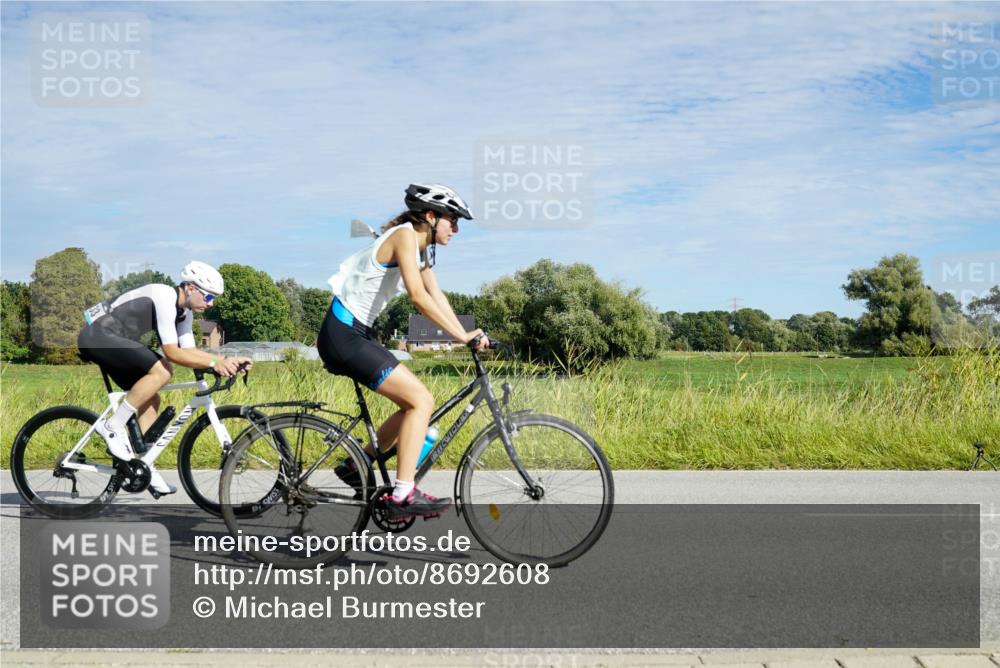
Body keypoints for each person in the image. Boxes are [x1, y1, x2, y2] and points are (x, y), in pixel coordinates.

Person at [320, 183, 489, 520]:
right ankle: (402, 495)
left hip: (355, 334)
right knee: (421, 401)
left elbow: (435, 294)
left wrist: (466, 330)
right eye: (452, 220)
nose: (455, 229)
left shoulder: (420, 249)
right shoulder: (404, 237)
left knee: (411, 405)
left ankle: (357, 465)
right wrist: (461, 336)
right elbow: (417, 297)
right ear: (430, 216)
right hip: (343, 334)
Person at [77, 261, 252, 495]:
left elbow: (190, 352)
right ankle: (112, 427)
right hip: (97, 336)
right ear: (191, 288)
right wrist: (215, 363)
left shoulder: (184, 313)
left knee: (151, 399)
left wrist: (224, 361)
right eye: (209, 297)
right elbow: (172, 352)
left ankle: (144, 464)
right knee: (163, 370)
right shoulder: (163, 295)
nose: (211, 305)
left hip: (114, 340)